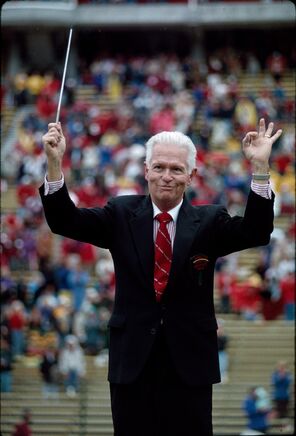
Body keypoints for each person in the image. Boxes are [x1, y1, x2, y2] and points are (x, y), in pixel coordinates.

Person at [40, 118, 281, 435]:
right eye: (159, 167)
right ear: (146, 170)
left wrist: (261, 168)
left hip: (190, 366)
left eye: (177, 169)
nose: (167, 176)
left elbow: (256, 232)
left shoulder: (209, 221)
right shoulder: (120, 214)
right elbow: (64, 221)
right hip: (132, 364)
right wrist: (55, 164)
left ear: (191, 176)